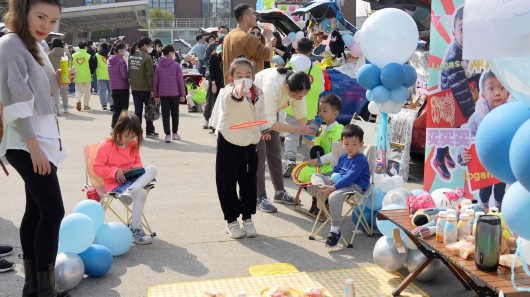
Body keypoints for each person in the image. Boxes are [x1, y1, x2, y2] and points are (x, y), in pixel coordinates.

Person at [0, 0, 73, 294]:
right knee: (53, 211)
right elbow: (15, 98)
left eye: (53, 21)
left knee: (37, 210)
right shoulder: (10, 44)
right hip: (26, 140)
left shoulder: (34, 45)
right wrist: (34, 146)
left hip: (39, 138)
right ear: (23, 12)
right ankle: (45, 290)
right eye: (41, 17)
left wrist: (56, 80)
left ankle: (33, 286)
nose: (47, 26)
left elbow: (38, 90)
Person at [215, 58, 270, 239]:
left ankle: (247, 218)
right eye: (239, 75)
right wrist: (238, 92)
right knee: (227, 182)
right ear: (231, 78)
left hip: (249, 142)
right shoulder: (226, 92)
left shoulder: (258, 93)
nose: (244, 79)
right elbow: (232, 99)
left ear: (253, 76)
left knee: (248, 182)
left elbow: (261, 113)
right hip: (229, 141)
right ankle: (231, 221)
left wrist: (264, 130)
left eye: (248, 75)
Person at [253, 67, 316, 213]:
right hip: (255, 114)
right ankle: (259, 197)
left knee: (274, 152)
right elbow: (268, 123)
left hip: (270, 113)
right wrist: (301, 130)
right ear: (287, 88)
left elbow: (301, 114)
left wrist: (308, 138)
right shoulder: (272, 85)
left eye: (303, 95)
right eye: (299, 96)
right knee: (260, 156)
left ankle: (280, 193)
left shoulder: (298, 84)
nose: (301, 98)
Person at [93, 112, 157, 245]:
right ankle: (136, 229)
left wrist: (134, 169)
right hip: (115, 184)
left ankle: (129, 192)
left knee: (152, 169)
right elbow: (97, 168)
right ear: (119, 130)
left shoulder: (133, 145)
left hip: (133, 181)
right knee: (142, 193)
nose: (129, 139)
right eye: (127, 135)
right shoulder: (106, 145)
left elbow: (138, 162)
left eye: (133, 136)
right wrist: (115, 172)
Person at [434, 6, 481, 180]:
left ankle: (445, 152)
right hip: (450, 99)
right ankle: (439, 158)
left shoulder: (473, 50)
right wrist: (473, 113)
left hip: (464, 95)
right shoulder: (454, 55)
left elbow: (478, 73)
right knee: (449, 129)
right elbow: (459, 88)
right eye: (463, 29)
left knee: (452, 130)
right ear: (454, 32)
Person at [308, 124, 370, 247]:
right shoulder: (343, 157)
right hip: (338, 183)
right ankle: (320, 188)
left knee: (333, 196)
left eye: (354, 144)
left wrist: (333, 188)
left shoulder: (360, 160)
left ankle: (335, 231)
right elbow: (337, 171)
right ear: (341, 143)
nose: (350, 147)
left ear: (361, 144)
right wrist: (330, 181)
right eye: (346, 144)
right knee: (316, 176)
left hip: (354, 187)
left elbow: (350, 177)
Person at [459, 70, 509, 211]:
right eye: (491, 88)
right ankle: (483, 207)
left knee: (500, 189)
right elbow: (465, 141)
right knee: (485, 188)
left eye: (502, 88)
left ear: (508, 93)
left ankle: (499, 209)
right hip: (483, 166)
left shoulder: (511, 115)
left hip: (502, 165)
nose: (497, 93)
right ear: (483, 95)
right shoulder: (476, 118)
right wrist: (463, 155)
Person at [283, 38, 325, 177]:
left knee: (291, 135)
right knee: (309, 137)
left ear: (297, 50)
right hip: (311, 110)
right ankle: (307, 165)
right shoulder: (317, 68)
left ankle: (290, 160)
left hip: (292, 108)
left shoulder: (289, 66)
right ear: (311, 50)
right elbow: (321, 88)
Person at [296, 95, 344, 215]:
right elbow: (315, 148)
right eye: (319, 110)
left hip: (333, 167)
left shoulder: (339, 129)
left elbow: (336, 153)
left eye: (325, 110)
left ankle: (322, 202)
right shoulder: (322, 129)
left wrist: (319, 161)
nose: (321, 113)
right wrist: (309, 136)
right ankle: (317, 199)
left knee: (311, 174)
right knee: (301, 172)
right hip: (322, 165)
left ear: (335, 114)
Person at [222, 3, 272, 85]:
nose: (255, 17)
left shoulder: (228, 36)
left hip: (231, 86)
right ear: (246, 17)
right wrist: (268, 37)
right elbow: (268, 56)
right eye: (253, 14)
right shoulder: (248, 38)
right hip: (248, 88)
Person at [153, 44, 186, 143]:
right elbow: (180, 81)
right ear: (171, 53)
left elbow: (156, 82)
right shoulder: (176, 65)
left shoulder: (158, 66)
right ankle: (174, 133)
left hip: (163, 95)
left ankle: (167, 134)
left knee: (165, 114)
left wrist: (156, 95)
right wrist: (182, 94)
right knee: (175, 114)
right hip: (175, 94)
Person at [129, 37, 159, 138]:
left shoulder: (131, 55)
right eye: (150, 45)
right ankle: (150, 131)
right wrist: (152, 90)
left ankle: (137, 132)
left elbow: (130, 72)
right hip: (145, 88)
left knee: (137, 111)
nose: (150, 47)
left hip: (134, 88)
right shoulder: (147, 57)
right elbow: (149, 75)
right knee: (149, 109)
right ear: (145, 45)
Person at [204, 36, 225, 132]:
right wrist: (213, 84)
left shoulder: (229, 54)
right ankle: (213, 125)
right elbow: (211, 71)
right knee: (216, 103)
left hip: (226, 83)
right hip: (216, 82)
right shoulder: (214, 56)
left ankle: (221, 126)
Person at [108, 42, 130, 129]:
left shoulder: (110, 61)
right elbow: (124, 75)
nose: (126, 51)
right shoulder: (121, 61)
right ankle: (123, 127)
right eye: (125, 50)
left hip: (114, 87)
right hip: (123, 87)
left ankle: (113, 127)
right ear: (120, 51)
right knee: (124, 109)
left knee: (116, 109)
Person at [48, 38, 70, 115]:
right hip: (64, 74)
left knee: (55, 93)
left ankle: (57, 110)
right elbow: (70, 64)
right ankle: (66, 108)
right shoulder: (66, 53)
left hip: (53, 75)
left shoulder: (49, 54)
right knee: (64, 92)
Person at [72, 41, 93, 111]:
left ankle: (78, 100)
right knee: (87, 91)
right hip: (87, 75)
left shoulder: (74, 55)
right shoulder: (88, 56)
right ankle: (86, 105)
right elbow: (91, 66)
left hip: (77, 75)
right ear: (85, 47)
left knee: (78, 90)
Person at [95, 42, 112, 111]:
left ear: (101, 47)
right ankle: (112, 104)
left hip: (100, 74)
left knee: (102, 90)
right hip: (110, 74)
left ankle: (104, 105)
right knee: (111, 90)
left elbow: (94, 64)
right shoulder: (110, 54)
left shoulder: (97, 55)